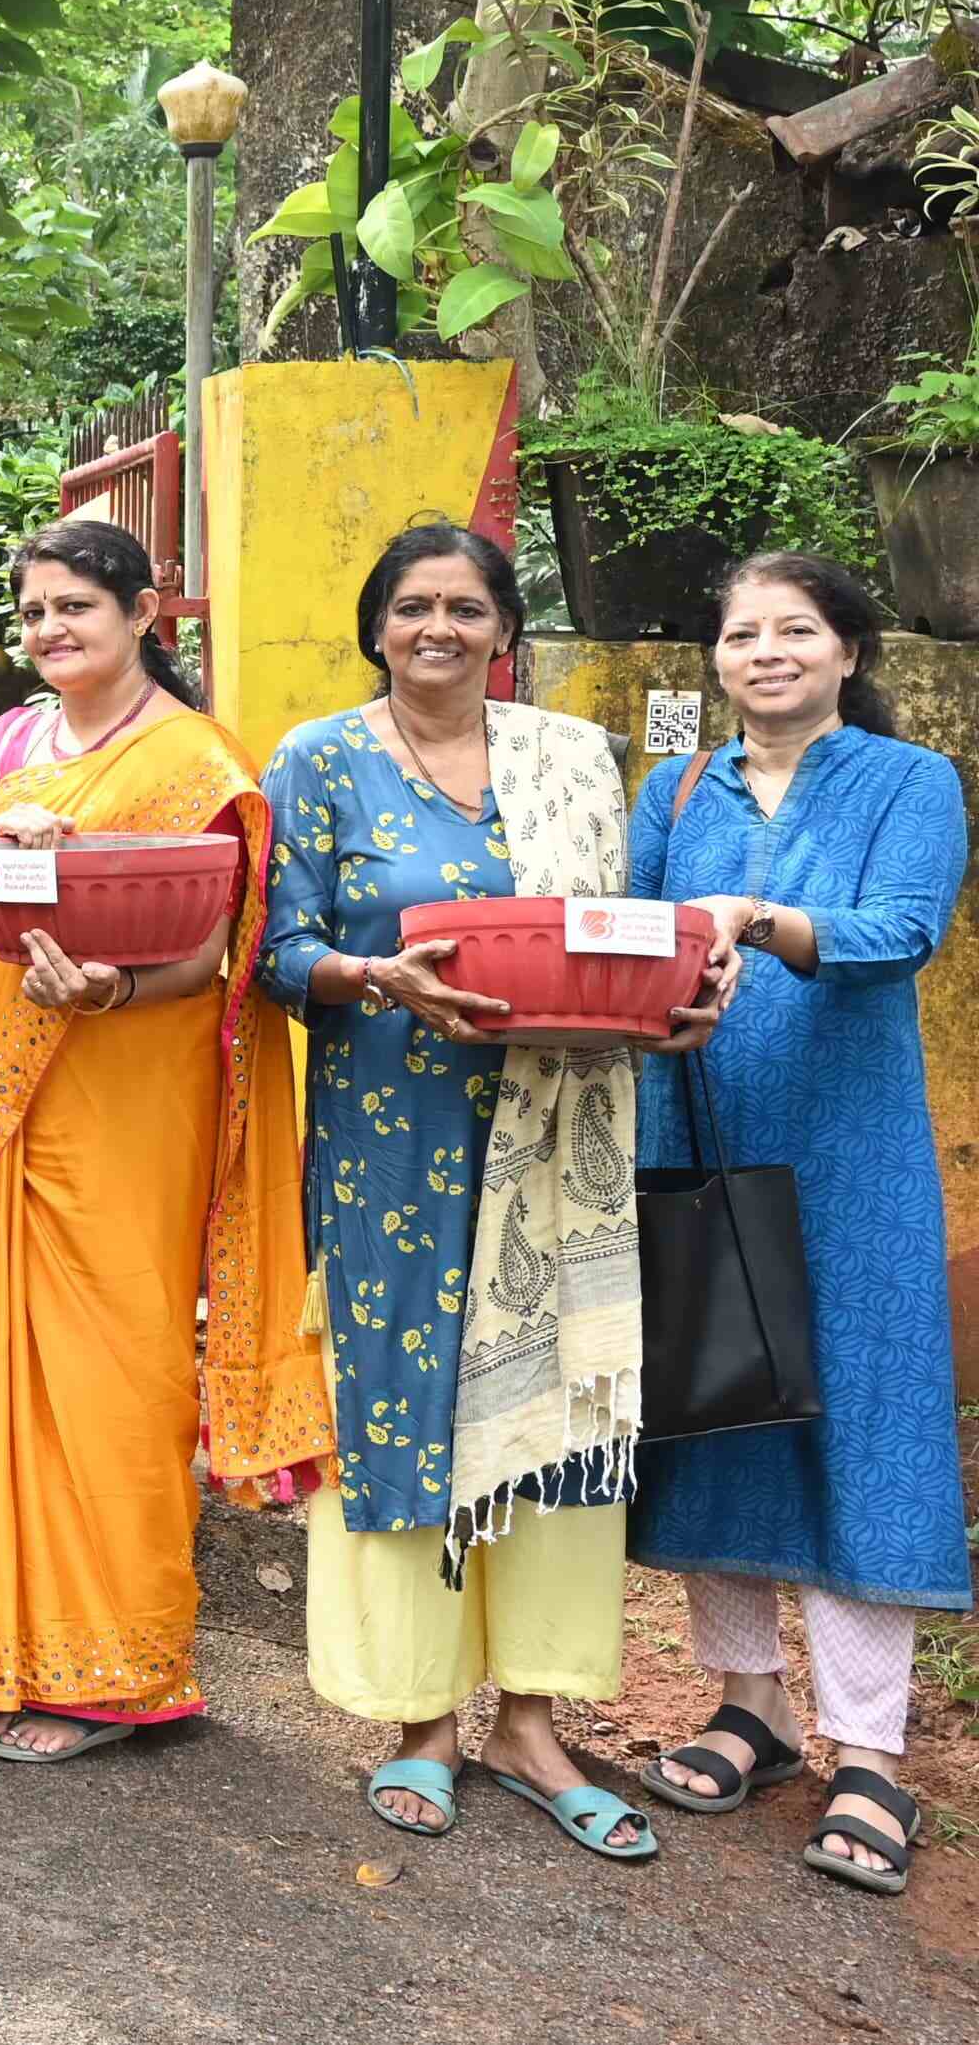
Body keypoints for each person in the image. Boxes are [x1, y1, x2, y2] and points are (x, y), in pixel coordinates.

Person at [259, 524, 724, 1864]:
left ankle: (528, 1717)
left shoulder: (568, 756)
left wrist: (676, 1001)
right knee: (401, 1391)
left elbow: (622, 932)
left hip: (560, 1133)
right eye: (412, 605)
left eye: (465, 606)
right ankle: (421, 1717)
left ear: (504, 628)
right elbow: (276, 947)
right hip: (388, 1133)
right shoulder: (319, 758)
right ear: (376, 624)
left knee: (558, 1385)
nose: (438, 628)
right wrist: (375, 976)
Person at [0, 518, 326, 1764]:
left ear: (140, 615)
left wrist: (110, 980)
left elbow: (209, 951)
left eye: (73, 604)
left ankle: (111, 1666)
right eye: (31, 611)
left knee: (116, 1361)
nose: (49, 628)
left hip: (125, 1084)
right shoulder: (10, 743)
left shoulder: (193, 756)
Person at [627, 551, 970, 1897]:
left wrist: (753, 917)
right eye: (741, 633)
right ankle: (752, 1706)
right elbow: (635, 939)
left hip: (849, 1157)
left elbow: (900, 932)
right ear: (715, 655)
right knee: (718, 1404)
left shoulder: (908, 780)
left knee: (864, 1418)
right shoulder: (677, 789)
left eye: (796, 629)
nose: (765, 652)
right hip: (700, 1130)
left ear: (846, 651)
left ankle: (871, 1750)